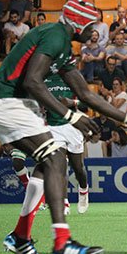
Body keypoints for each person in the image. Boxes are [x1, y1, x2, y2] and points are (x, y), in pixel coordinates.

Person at [0, 0, 127, 254]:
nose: (95, 31)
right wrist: (70, 115)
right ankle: (61, 243)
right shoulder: (56, 36)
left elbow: (84, 92)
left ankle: (22, 238)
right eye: (91, 25)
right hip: (4, 101)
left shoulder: (59, 39)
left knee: (53, 159)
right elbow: (34, 82)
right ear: (78, 23)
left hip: (11, 102)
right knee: (54, 157)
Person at [45, 73, 91, 214]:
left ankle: (83, 189)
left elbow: (87, 102)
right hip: (54, 127)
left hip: (72, 126)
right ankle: (64, 202)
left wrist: (73, 103)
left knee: (78, 168)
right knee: (59, 167)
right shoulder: (43, 79)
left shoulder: (72, 78)